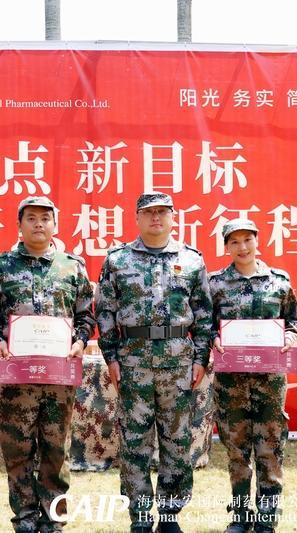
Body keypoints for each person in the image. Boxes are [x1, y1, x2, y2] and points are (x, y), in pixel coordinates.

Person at [0, 196, 96, 533]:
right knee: (18, 450)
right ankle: (25, 518)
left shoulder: (72, 267)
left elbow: (86, 316)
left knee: (56, 450)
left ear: (55, 224)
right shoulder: (1, 267)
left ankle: (53, 519)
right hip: (17, 377)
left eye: (45, 218)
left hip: (59, 376)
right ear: (20, 224)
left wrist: (80, 341)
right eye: (31, 218)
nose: (39, 223)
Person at [95, 192, 213, 533]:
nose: (156, 218)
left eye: (162, 212)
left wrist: (201, 357)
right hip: (133, 361)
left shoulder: (191, 260)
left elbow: (203, 314)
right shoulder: (118, 260)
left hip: (178, 363)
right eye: (148, 213)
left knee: (177, 440)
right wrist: (111, 356)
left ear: (173, 217)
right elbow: (105, 311)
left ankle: (171, 515)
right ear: (137, 218)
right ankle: (141, 517)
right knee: (134, 442)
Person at [209, 218, 297, 533]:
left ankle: (266, 518)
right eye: (234, 241)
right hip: (230, 383)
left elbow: (294, 321)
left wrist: (289, 337)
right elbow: (206, 324)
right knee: (236, 450)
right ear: (226, 247)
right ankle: (240, 516)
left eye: (247, 239)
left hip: (269, 381)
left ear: (257, 241)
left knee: (270, 448)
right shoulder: (215, 284)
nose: (242, 247)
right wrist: (214, 338)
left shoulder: (279, 281)